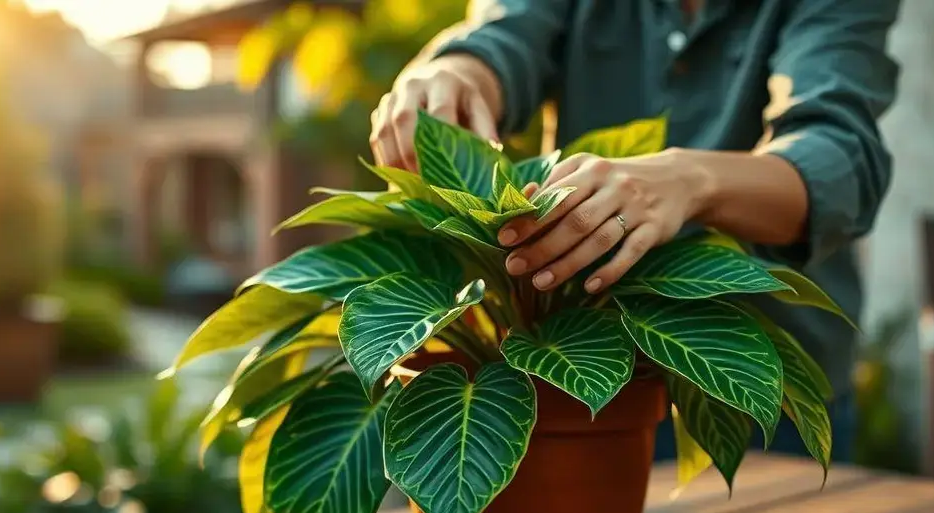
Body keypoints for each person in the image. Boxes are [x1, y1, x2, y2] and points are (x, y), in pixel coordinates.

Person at [370, 0, 900, 463]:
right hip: (578, 378)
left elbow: (839, 160)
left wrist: (691, 181)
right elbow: (505, 34)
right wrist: (458, 74)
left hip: (754, 387)